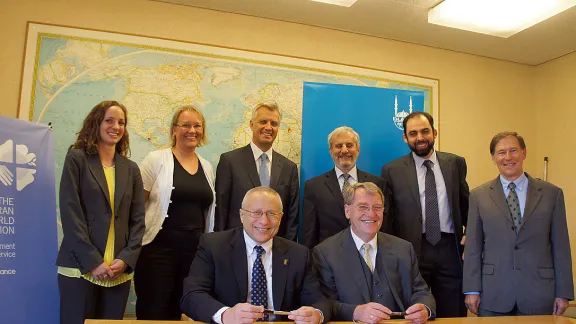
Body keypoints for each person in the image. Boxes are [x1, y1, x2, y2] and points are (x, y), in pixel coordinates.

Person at [181, 187, 331, 324]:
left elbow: (320, 302)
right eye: (256, 213)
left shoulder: (299, 254)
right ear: (241, 215)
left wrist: (316, 314)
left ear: (280, 217)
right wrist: (227, 315)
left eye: (272, 213)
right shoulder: (214, 246)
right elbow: (192, 296)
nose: (264, 221)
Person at [463, 131, 573, 316]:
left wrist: (564, 293)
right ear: (493, 158)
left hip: (539, 294)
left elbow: (561, 247)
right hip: (493, 294)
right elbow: (473, 247)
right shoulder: (478, 196)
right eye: (501, 152)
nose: (508, 157)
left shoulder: (551, 194)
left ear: (524, 153)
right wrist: (471, 290)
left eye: (513, 150)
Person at [56, 100, 145, 324]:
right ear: (96, 123)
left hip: (118, 272)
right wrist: (93, 261)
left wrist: (125, 259)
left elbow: (138, 220)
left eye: (121, 122)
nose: (116, 126)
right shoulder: (77, 158)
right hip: (80, 268)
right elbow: (71, 213)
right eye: (109, 120)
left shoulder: (131, 168)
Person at [380, 111, 468, 317]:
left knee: (452, 311)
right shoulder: (392, 170)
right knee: (414, 312)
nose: (420, 137)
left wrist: (470, 231)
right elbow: (388, 218)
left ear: (434, 132)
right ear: (405, 138)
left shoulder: (455, 164)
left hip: (449, 250)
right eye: (413, 133)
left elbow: (466, 204)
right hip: (411, 250)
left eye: (424, 131)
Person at [134, 105, 216, 320]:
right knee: (154, 311)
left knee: (180, 312)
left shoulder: (207, 166)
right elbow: (137, 208)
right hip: (157, 253)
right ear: (174, 129)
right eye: (186, 125)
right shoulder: (155, 159)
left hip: (193, 256)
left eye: (197, 126)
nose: (192, 130)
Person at [312, 182, 434, 324]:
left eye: (377, 207)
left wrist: (424, 308)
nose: (371, 213)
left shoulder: (403, 248)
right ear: (347, 211)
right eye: (363, 207)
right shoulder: (325, 253)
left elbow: (421, 292)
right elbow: (324, 304)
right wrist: (355, 312)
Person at [215, 102, 299, 241]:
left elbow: (292, 215)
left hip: (275, 247)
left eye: (274, 123)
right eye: (263, 122)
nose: (268, 127)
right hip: (236, 244)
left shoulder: (288, 168)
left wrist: (288, 249)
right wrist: (221, 245)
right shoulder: (229, 161)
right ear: (252, 124)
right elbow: (221, 210)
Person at [302, 126, 385, 248]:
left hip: (368, 256)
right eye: (339, 146)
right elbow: (309, 234)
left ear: (358, 149)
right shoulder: (313, 186)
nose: (344, 150)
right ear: (331, 151)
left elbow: (384, 228)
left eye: (349, 145)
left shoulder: (378, 183)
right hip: (328, 259)